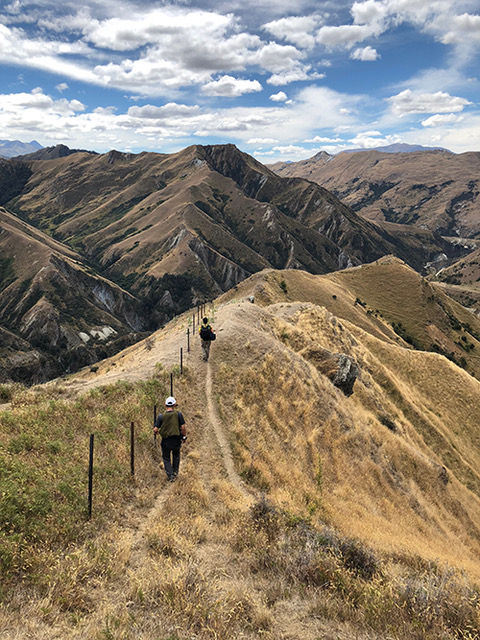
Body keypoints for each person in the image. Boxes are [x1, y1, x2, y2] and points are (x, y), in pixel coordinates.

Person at [153, 396, 187, 482]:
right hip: (176, 439)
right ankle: (175, 473)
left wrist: (157, 433)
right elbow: (183, 427)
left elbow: (155, 429)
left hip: (166, 441)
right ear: (174, 405)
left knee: (166, 458)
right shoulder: (178, 415)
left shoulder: (161, 416)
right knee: (176, 456)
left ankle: (170, 475)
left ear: (165, 405)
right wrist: (184, 437)